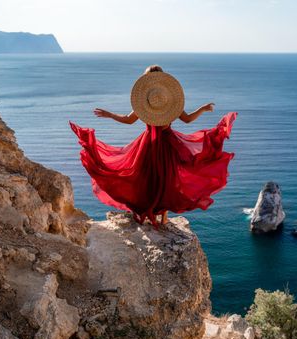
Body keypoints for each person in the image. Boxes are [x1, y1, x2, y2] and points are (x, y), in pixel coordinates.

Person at [70, 65, 237, 227]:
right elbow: (187, 119)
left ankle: (151, 214)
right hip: (168, 145)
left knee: (145, 179)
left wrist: (109, 114)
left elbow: (128, 120)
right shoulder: (170, 102)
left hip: (148, 145)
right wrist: (202, 108)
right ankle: (163, 216)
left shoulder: (145, 102)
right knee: (167, 180)